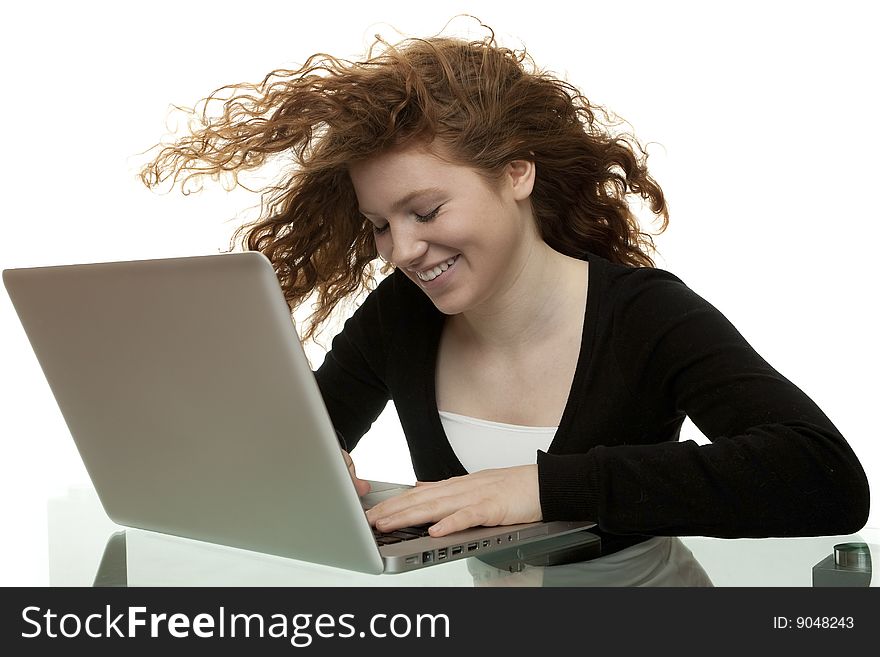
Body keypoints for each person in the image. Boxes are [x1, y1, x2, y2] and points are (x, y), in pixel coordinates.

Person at [140, 22, 870, 556]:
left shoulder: (647, 315)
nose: (404, 251)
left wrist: (543, 487)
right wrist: (296, 462)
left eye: (425, 212)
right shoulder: (401, 317)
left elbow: (825, 477)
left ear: (516, 174)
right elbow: (308, 441)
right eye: (381, 226)